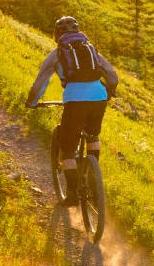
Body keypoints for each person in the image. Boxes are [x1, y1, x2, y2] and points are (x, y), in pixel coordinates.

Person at [25, 16, 118, 199]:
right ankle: (93, 176)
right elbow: (113, 77)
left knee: (67, 147)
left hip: (75, 100)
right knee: (92, 135)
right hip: (99, 98)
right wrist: (107, 93)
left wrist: (31, 103)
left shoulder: (57, 53)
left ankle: (73, 192)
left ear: (56, 34)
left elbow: (39, 85)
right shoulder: (91, 49)